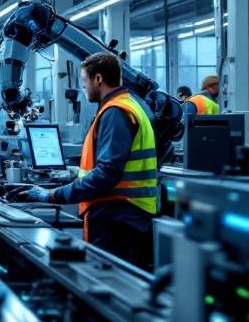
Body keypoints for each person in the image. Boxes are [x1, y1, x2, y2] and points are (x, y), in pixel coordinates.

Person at [11, 52, 158, 270]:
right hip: (127, 215)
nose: (83, 88)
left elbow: (107, 173)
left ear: (98, 79)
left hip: (116, 218)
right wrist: (73, 172)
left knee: (109, 286)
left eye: (84, 81)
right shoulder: (128, 105)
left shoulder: (116, 112)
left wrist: (51, 195)